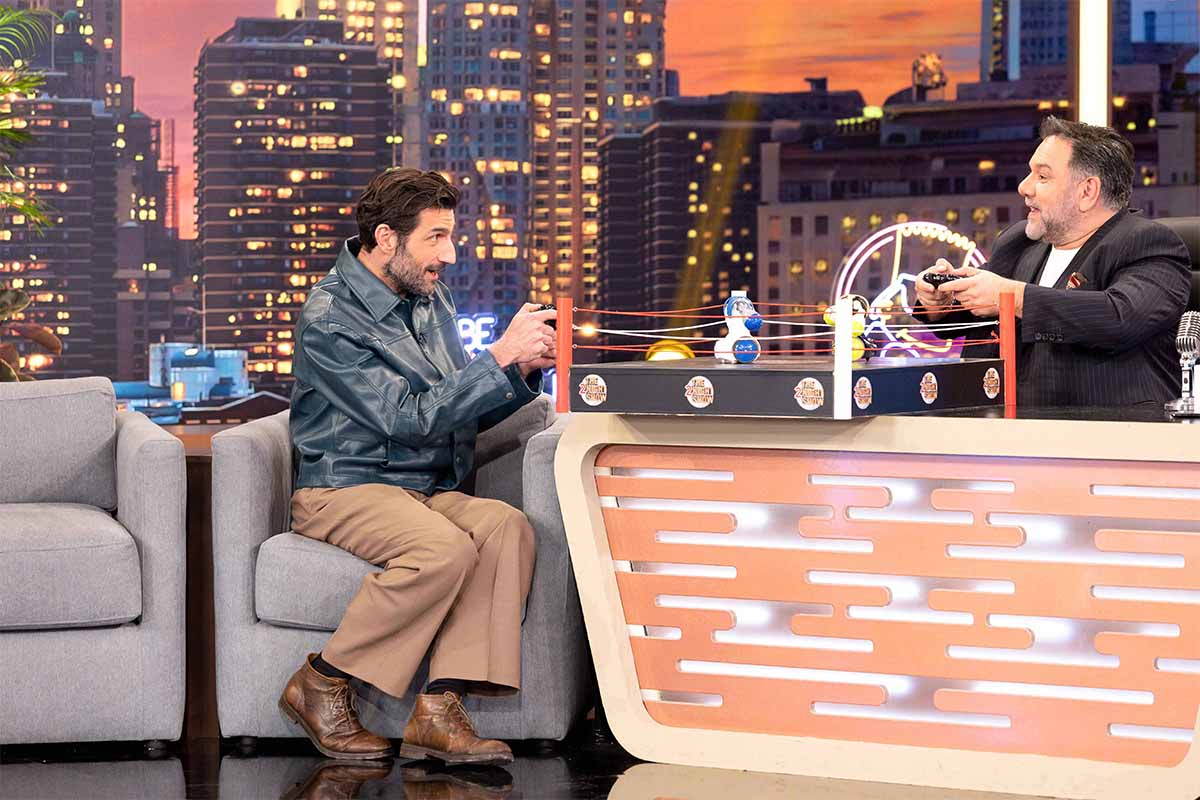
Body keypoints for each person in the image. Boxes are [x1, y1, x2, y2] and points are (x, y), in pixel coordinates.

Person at [279, 167, 557, 764]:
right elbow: (407, 418)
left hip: (418, 487)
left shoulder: (429, 297)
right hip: (345, 486)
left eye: (449, 236)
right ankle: (320, 682)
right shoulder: (330, 318)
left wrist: (518, 373)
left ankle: (438, 711)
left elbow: (451, 407)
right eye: (436, 237)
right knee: (442, 549)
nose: (449, 255)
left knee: (506, 528)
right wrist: (496, 358)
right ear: (386, 238)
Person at [914, 116, 1191, 406]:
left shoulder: (1149, 244)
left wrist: (1011, 296)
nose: (1024, 187)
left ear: (1087, 191)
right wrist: (941, 302)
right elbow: (981, 311)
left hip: (1107, 426)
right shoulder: (1018, 241)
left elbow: (1119, 318)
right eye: (1029, 173)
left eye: (1042, 177)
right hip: (999, 424)